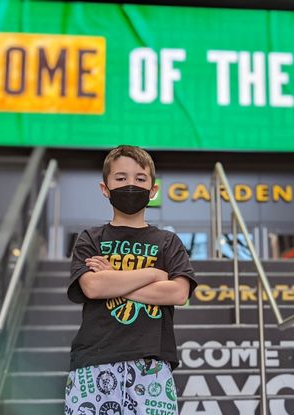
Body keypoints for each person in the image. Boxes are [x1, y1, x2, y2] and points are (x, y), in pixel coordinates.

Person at [65, 145, 197, 415]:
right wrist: (152, 274)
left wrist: (113, 278)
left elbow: (178, 293)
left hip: (153, 365)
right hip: (93, 362)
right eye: (121, 178)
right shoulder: (91, 239)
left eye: (140, 179)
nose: (130, 185)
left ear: (153, 190)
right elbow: (92, 287)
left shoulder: (168, 242)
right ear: (105, 188)